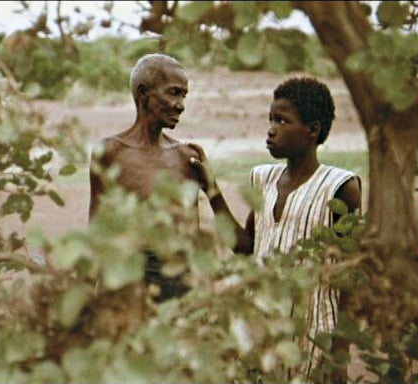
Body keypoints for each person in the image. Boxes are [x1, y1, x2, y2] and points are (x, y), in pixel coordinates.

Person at [189, 77, 362, 382]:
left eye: (282, 121)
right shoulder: (263, 179)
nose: (271, 129)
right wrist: (211, 188)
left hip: (313, 334)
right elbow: (246, 247)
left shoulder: (340, 187)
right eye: (270, 119)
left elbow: (349, 276)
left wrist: (339, 355)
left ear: (312, 130)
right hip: (261, 330)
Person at [88, 53, 203, 302]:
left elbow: (192, 240)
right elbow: (98, 235)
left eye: (184, 95)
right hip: (125, 292)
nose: (180, 104)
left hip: (176, 294)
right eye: (173, 92)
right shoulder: (110, 153)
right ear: (143, 94)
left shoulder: (187, 157)